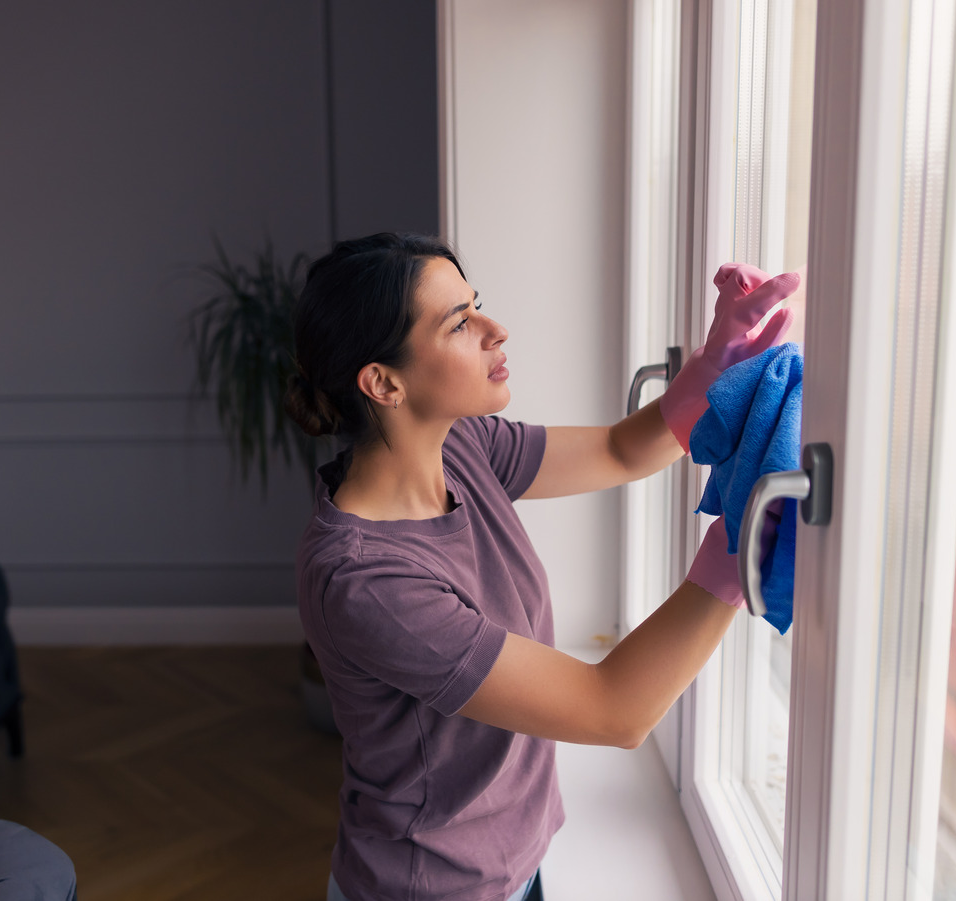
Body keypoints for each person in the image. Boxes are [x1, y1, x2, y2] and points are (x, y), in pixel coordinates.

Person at [285, 233, 798, 901]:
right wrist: (740, 541)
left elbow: (620, 450)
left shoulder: (458, 445)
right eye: (461, 323)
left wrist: (711, 366)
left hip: (511, 867)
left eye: (478, 307)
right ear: (384, 382)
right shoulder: (365, 581)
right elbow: (616, 709)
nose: (496, 331)